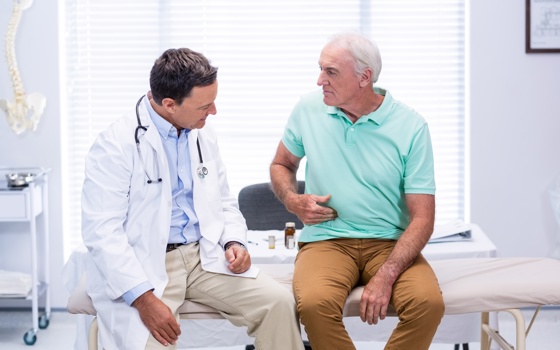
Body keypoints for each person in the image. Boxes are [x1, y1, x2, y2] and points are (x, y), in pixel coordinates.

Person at [81, 48, 305, 350]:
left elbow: (223, 201)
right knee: (148, 343)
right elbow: (102, 233)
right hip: (147, 264)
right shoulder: (115, 145)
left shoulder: (201, 133)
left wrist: (233, 242)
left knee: (278, 304)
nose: (213, 112)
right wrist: (144, 299)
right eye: (206, 105)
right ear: (170, 104)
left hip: (204, 256)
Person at [269, 32, 445, 349]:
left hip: (389, 244)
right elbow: (282, 164)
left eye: (331, 71)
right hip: (327, 242)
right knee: (313, 304)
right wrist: (294, 201)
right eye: (320, 69)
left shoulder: (411, 127)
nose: (320, 79)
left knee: (427, 304)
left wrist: (386, 275)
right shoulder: (308, 109)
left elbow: (422, 219)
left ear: (364, 77)